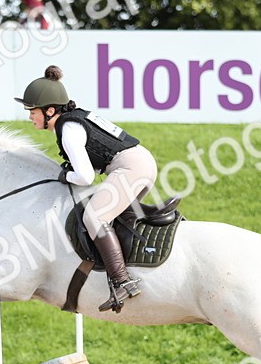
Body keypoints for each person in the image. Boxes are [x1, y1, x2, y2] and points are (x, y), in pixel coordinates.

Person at [16, 65, 158, 313]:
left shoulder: (68, 129)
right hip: (139, 162)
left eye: (32, 111)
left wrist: (65, 175)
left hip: (130, 167)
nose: (29, 117)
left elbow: (85, 176)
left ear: (50, 111)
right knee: (110, 217)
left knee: (94, 217)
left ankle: (123, 281)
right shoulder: (74, 120)